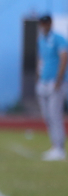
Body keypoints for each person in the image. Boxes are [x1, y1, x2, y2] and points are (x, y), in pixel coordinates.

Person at [36, 15, 68, 161]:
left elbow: (63, 57)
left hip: (56, 82)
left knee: (55, 114)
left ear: (50, 23)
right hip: (44, 81)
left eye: (45, 23)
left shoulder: (58, 38)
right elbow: (41, 60)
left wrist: (59, 79)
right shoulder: (41, 40)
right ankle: (54, 144)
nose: (43, 26)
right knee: (47, 115)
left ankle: (60, 147)